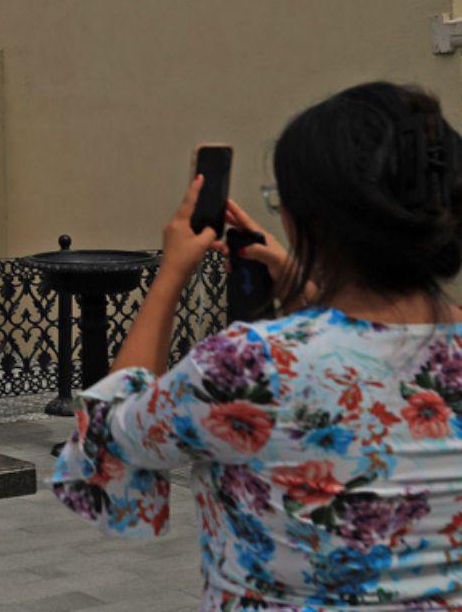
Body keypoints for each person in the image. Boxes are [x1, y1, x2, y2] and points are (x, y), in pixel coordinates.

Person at [53, 82, 462, 611]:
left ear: (307, 220)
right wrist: (293, 270)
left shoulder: (251, 365)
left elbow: (105, 445)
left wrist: (171, 271)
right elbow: (373, 337)